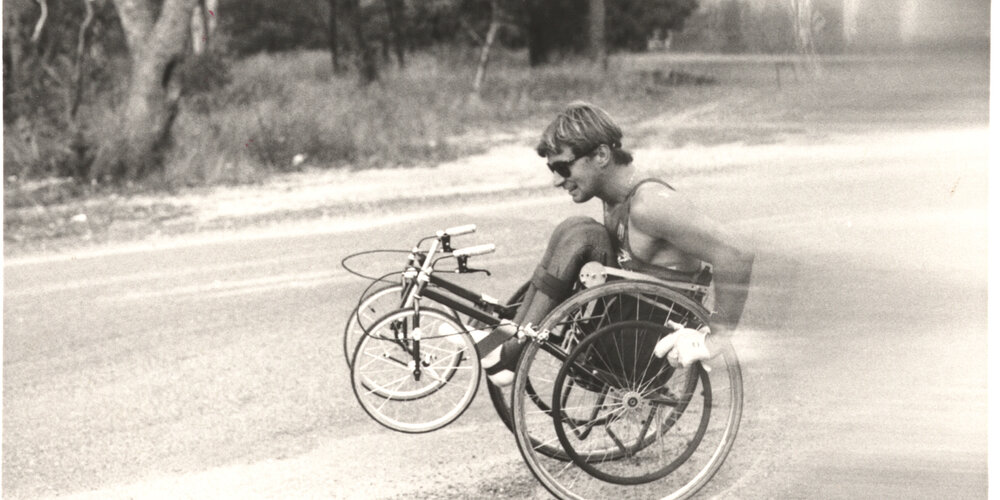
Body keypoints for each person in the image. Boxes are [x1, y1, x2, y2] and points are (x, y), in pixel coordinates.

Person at [483, 101, 755, 386]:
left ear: (601, 154)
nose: (555, 181)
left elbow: (736, 253)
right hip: (611, 331)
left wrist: (718, 337)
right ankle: (507, 335)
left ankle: (512, 353)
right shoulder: (615, 200)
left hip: (639, 351)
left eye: (563, 168)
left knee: (582, 235)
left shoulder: (650, 204)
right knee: (576, 229)